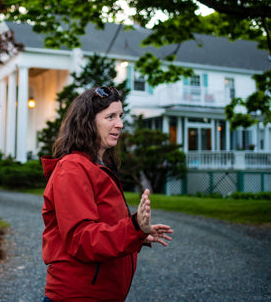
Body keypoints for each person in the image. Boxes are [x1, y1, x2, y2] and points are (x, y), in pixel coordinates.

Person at [41, 86, 173, 302]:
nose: (119, 124)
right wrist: (133, 227)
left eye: (120, 116)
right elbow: (82, 239)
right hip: (77, 296)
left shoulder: (100, 165)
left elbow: (105, 223)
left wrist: (139, 235)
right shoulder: (73, 168)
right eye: (110, 116)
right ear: (87, 122)